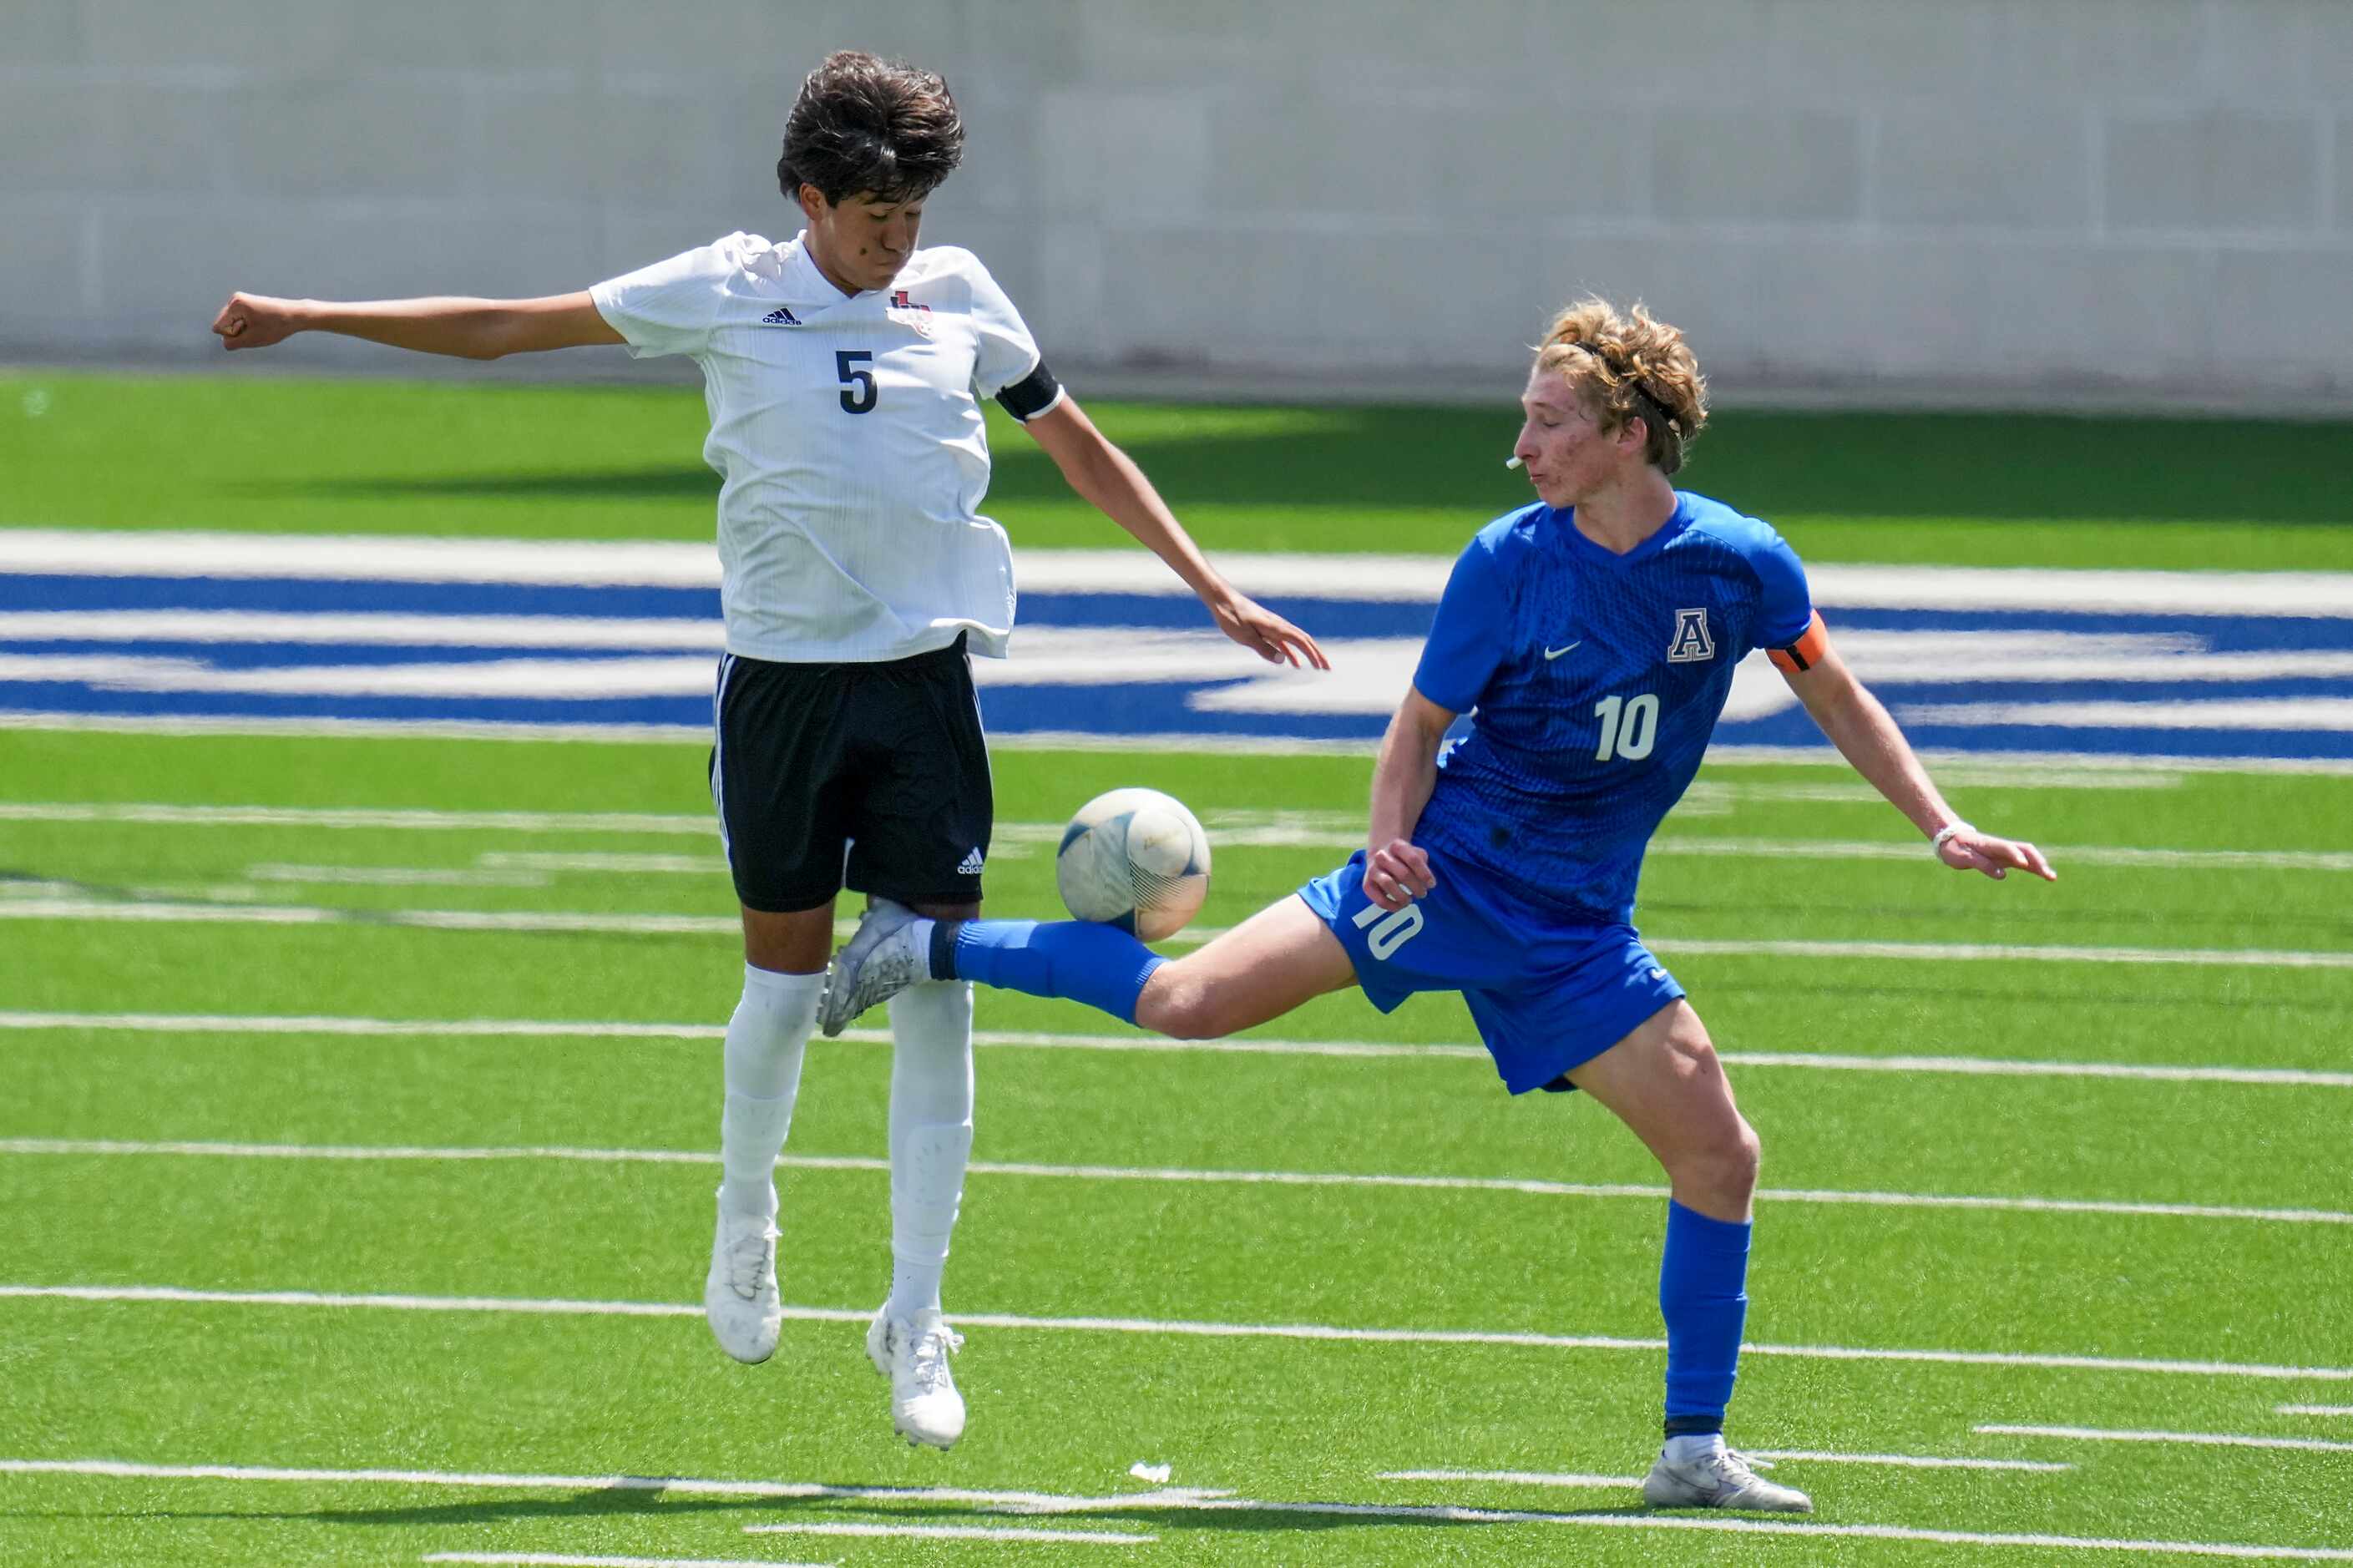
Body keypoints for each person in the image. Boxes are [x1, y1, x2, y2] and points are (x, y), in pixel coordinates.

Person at [209, 49, 1325, 1452]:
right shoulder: (727, 283)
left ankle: (915, 1316)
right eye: (873, 217)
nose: (896, 239)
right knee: (782, 989)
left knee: (936, 994)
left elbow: (1079, 442)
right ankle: (746, 1218)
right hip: (783, 696)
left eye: (912, 214)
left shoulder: (962, 294)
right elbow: (507, 327)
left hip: (923, 693)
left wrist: (1209, 584)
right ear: (809, 196)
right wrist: (314, 312)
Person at [820, 296, 2055, 1509]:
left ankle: (1689, 1452)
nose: (1519, 448)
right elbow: (1416, 728)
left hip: (1576, 930)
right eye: (1524, 421)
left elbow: (1830, 691)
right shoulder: (1507, 562)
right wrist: (1386, 844)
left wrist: (1937, 819)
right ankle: (921, 939)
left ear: (1628, 433)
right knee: (1188, 1002)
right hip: (1452, 875)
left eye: (1547, 423)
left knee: (1717, 1154)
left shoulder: (1737, 564)